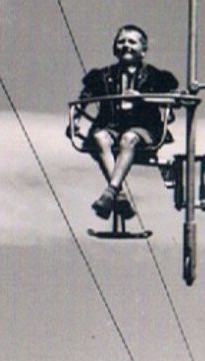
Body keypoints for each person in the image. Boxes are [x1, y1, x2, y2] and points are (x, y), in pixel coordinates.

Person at [75, 25, 179, 220]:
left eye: (132, 42)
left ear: (143, 50)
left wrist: (143, 98)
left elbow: (172, 100)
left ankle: (111, 192)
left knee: (128, 139)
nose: (126, 46)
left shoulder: (156, 77)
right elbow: (84, 99)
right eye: (121, 42)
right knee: (99, 137)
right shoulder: (103, 76)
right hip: (111, 126)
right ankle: (118, 195)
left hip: (144, 129)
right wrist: (76, 120)